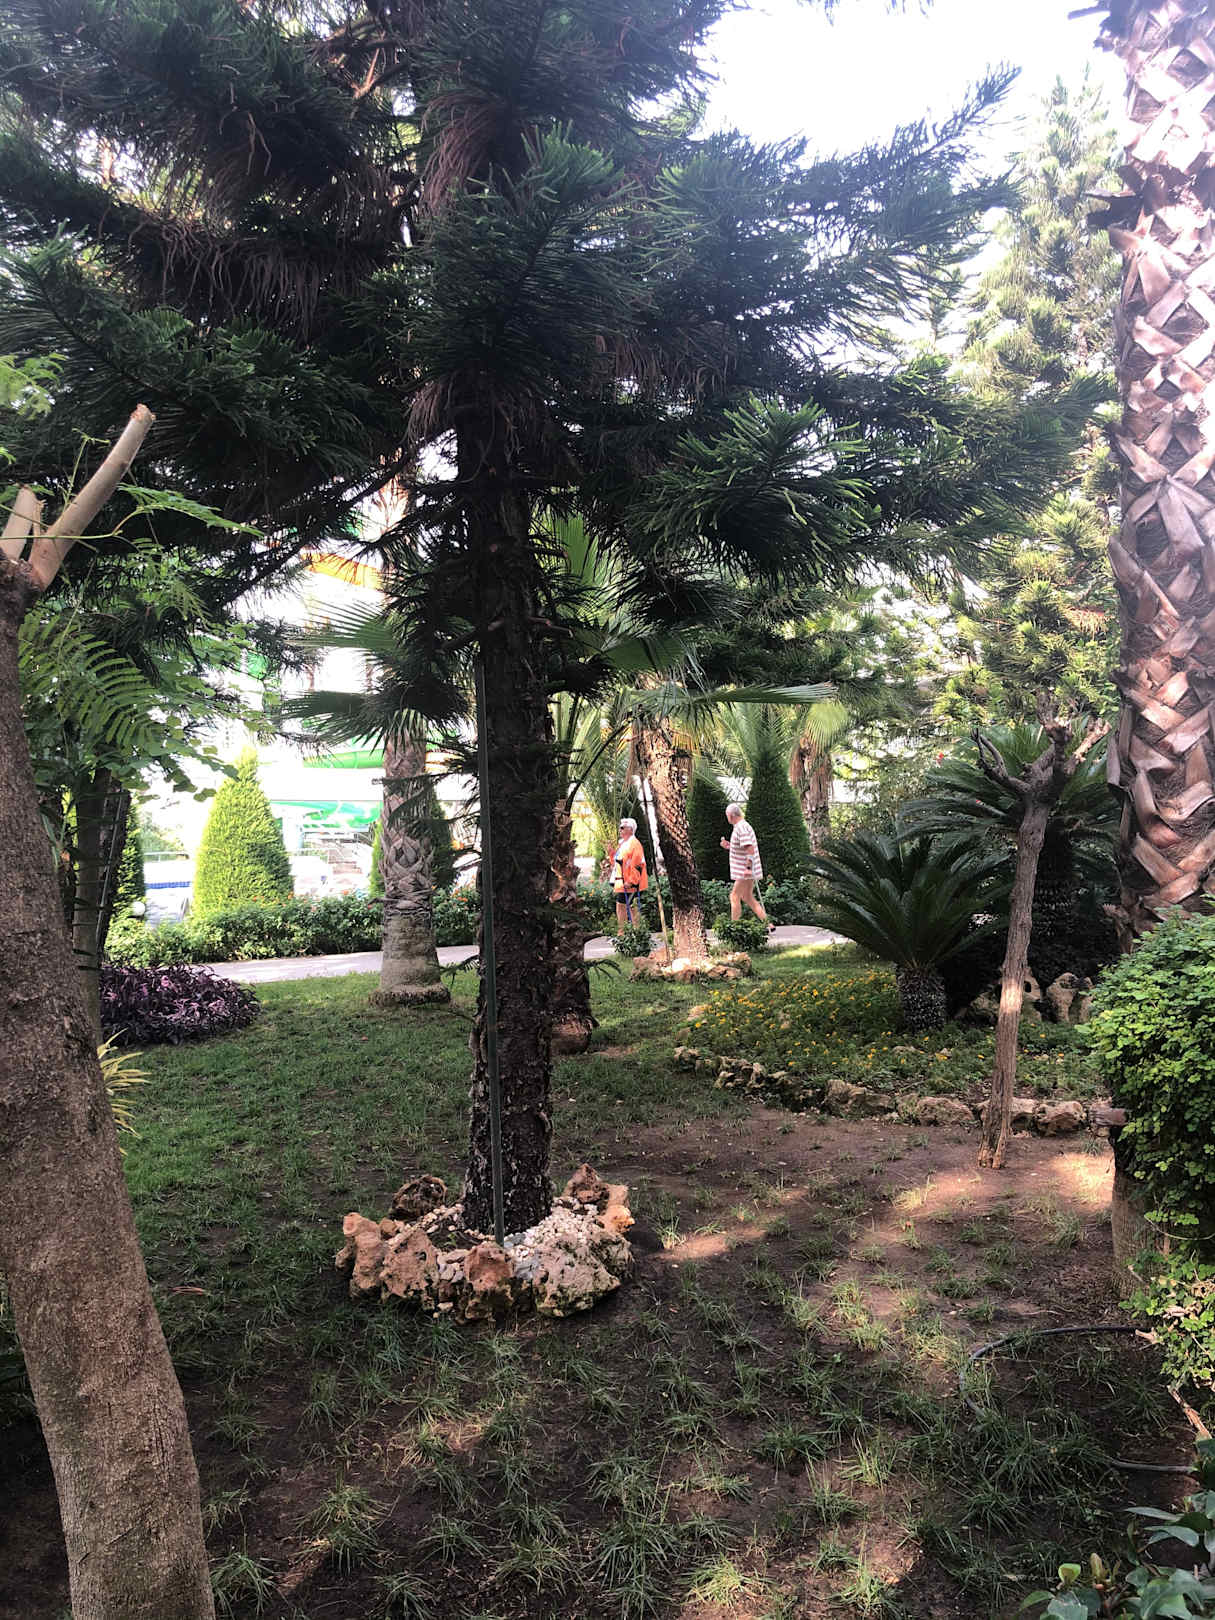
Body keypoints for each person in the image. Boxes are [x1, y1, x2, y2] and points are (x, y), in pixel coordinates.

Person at [720, 803, 772, 928]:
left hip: (744, 871)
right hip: (746, 870)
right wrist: (729, 846)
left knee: (734, 896)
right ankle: (768, 924)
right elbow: (743, 847)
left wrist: (748, 868)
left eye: (727, 816)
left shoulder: (741, 828)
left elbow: (750, 848)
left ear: (731, 815)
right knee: (747, 896)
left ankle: (734, 928)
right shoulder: (742, 826)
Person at [611, 817, 649, 928]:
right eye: (620, 827)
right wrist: (611, 853)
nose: (620, 830)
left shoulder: (634, 844)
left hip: (631, 884)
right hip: (623, 882)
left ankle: (636, 931)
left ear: (631, 829)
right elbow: (618, 862)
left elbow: (638, 864)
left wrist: (632, 881)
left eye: (623, 828)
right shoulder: (623, 844)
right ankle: (623, 932)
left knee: (631, 906)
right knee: (622, 905)